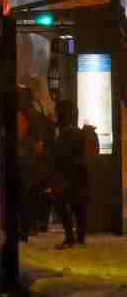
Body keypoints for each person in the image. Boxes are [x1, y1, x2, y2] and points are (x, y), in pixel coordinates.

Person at [51, 99, 90, 250]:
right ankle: (79, 238)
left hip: (69, 176)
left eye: (57, 113)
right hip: (78, 175)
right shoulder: (77, 132)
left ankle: (71, 238)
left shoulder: (67, 133)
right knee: (77, 207)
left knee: (62, 203)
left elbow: (62, 155)